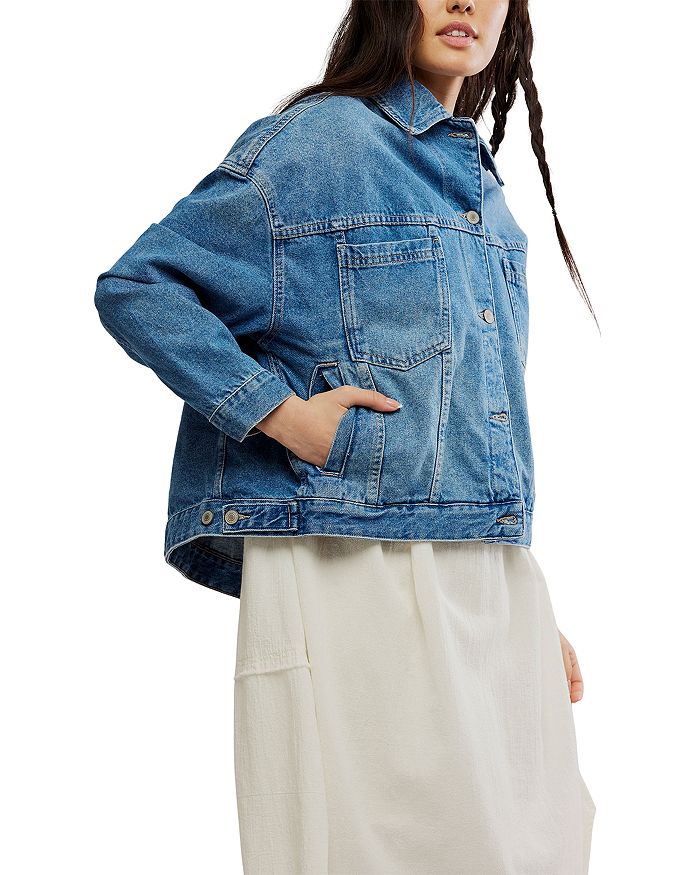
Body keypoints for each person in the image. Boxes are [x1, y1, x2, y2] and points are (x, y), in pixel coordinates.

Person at [94, 0, 597, 871]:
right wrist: (284, 416)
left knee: (535, 841)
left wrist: (520, 599)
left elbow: (475, 418)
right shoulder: (322, 143)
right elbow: (141, 287)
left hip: (481, 582)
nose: (465, 2)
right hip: (352, 569)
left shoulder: (486, 193)